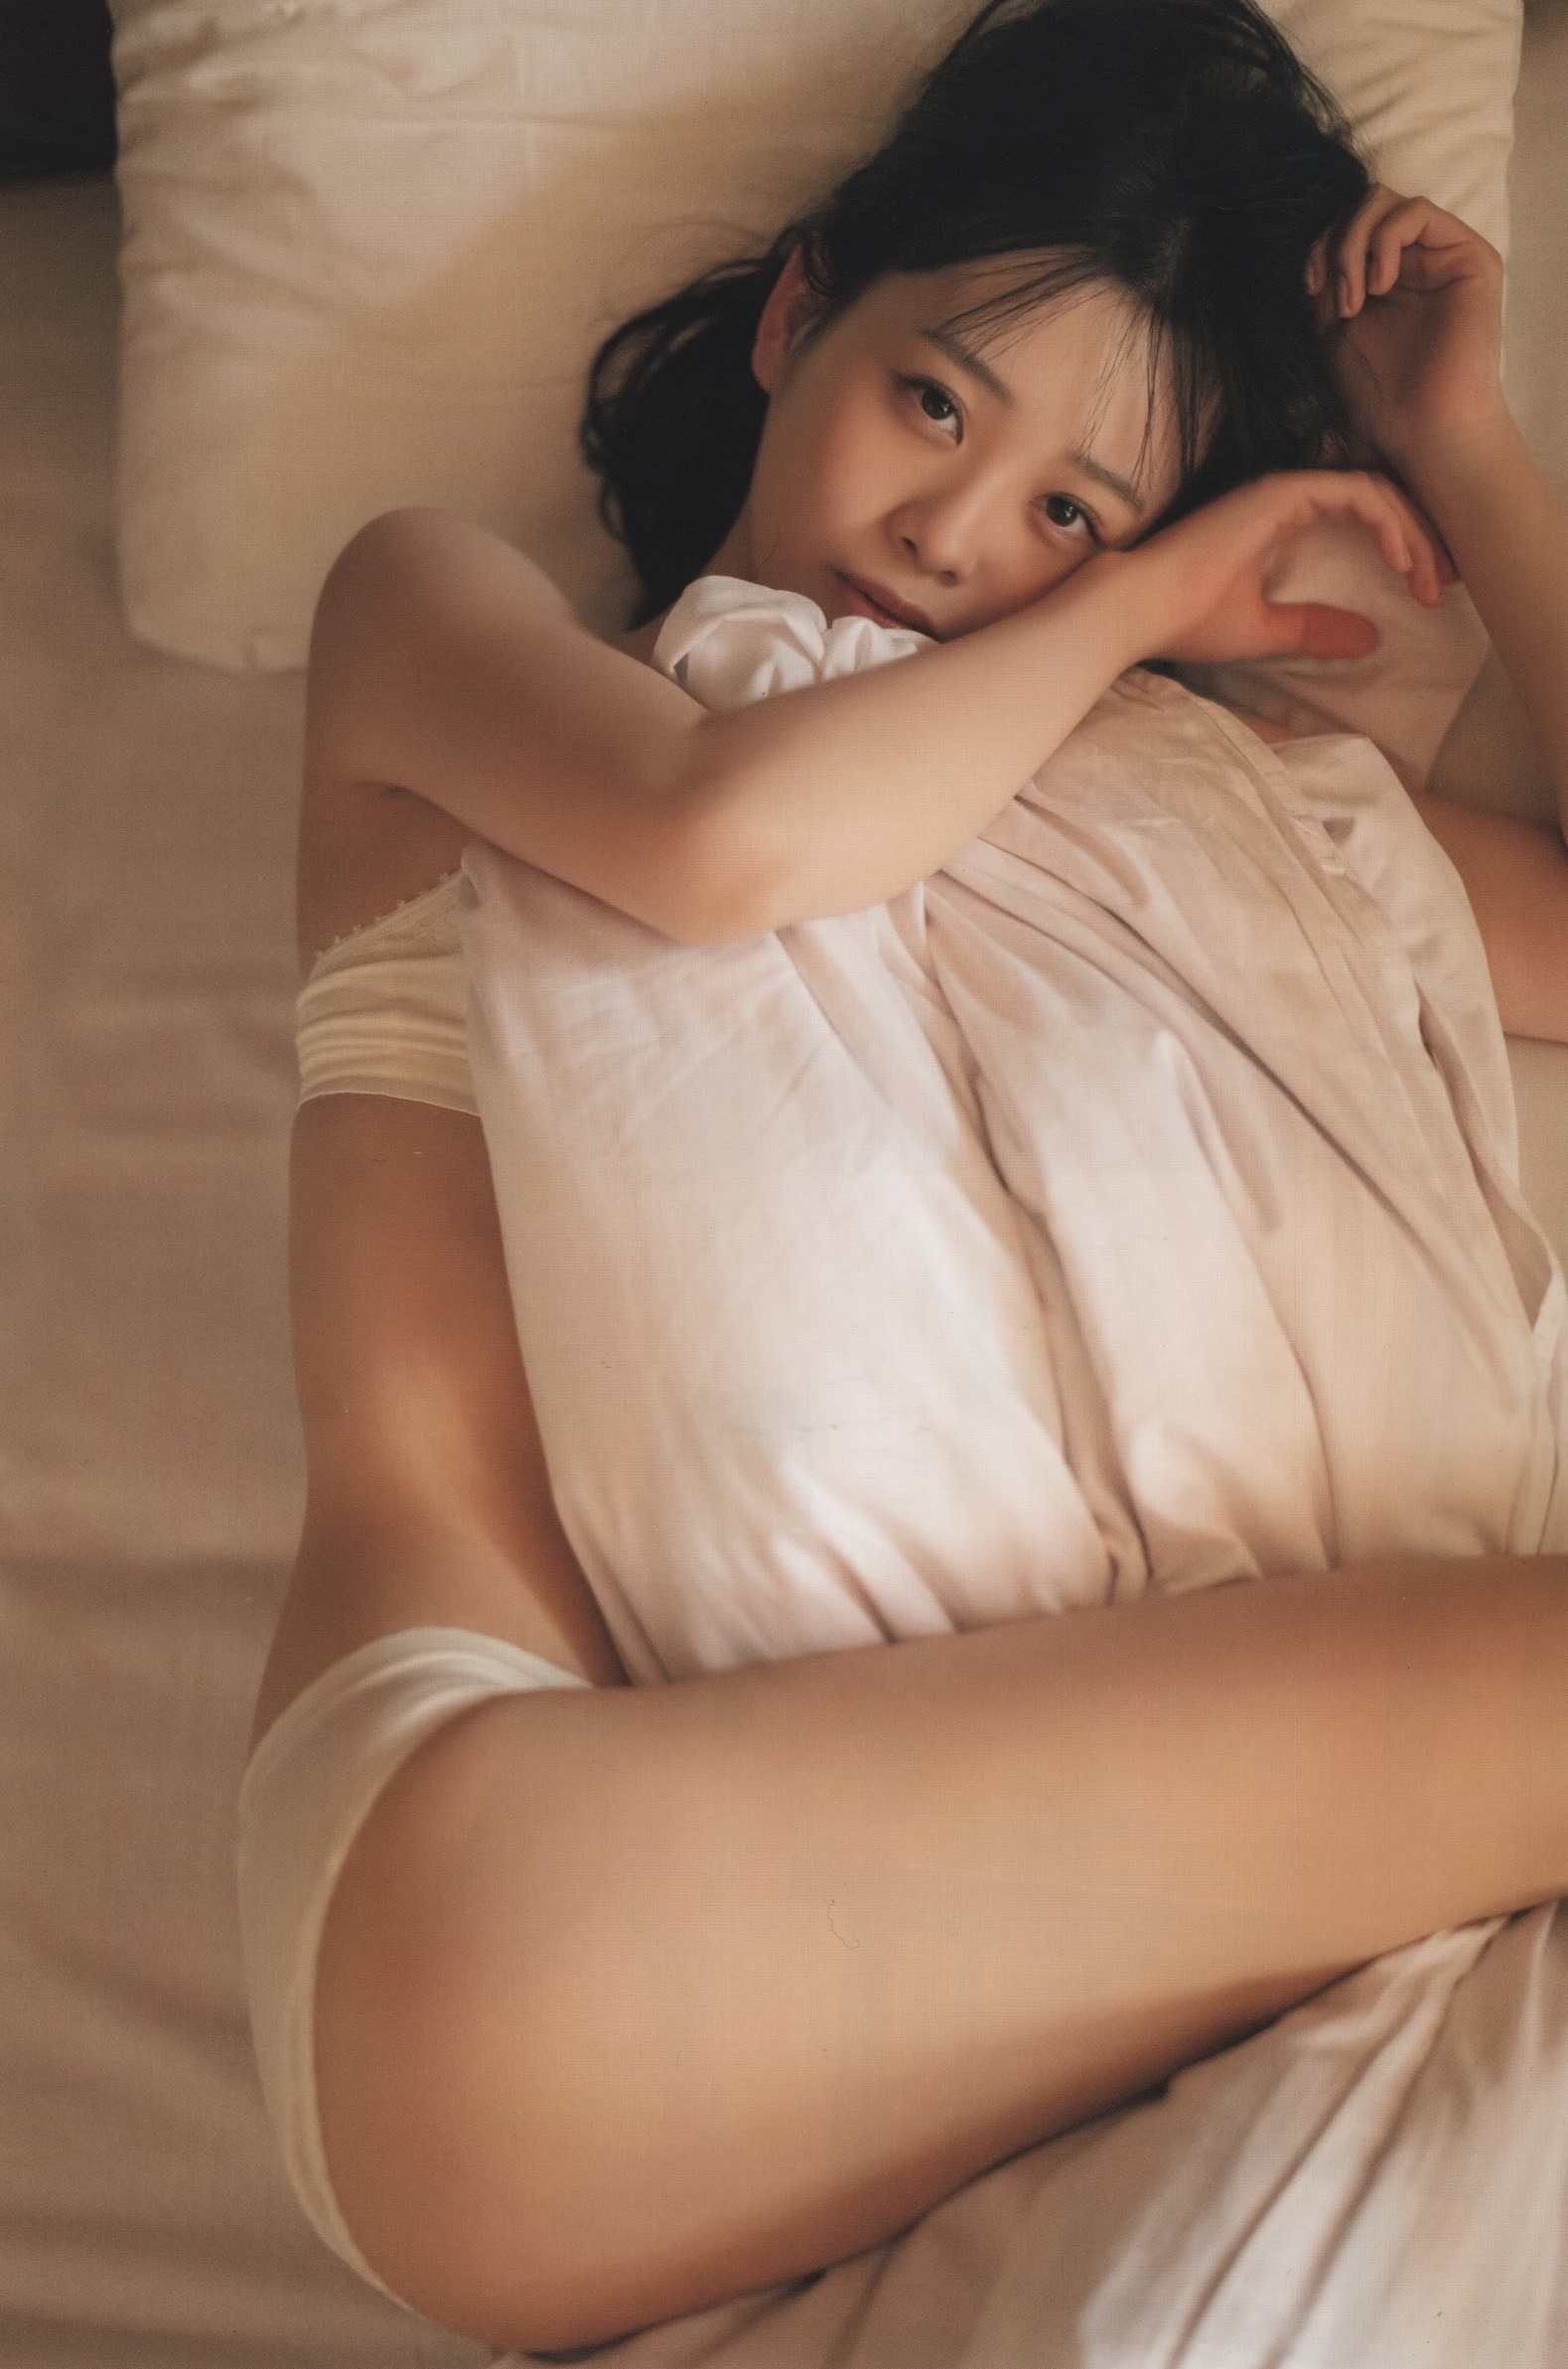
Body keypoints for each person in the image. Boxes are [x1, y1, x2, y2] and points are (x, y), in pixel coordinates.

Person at [240, 0, 1568, 2355]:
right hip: (518, 1915)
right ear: (797, 316)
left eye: (1071, 510)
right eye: (934, 404)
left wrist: (1464, 444)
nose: (952, 539)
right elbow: (719, 839)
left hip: (1007, 1920)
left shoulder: (1227, 813)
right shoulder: (450, 625)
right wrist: (1143, 592)